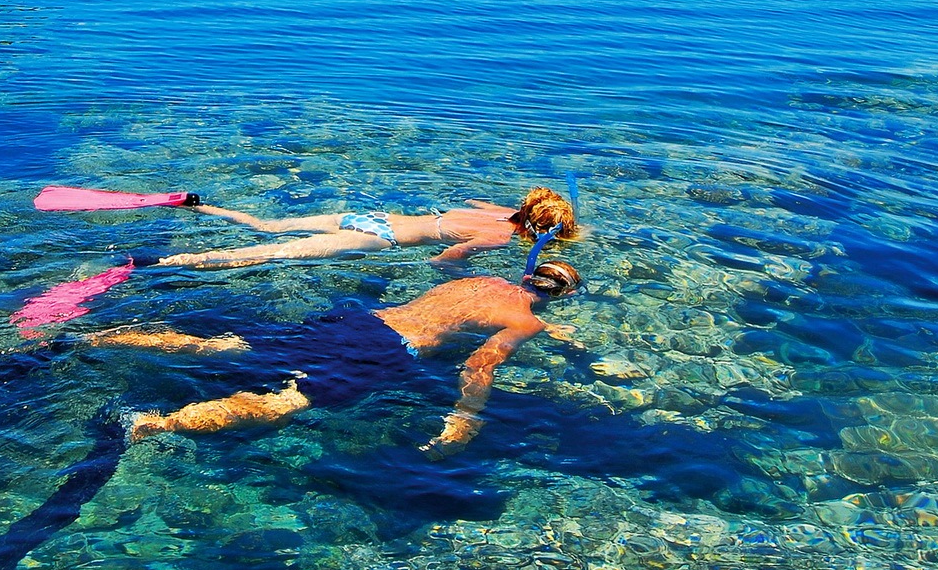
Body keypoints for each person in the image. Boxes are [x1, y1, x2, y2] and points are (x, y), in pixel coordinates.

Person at [90, 261, 582, 458]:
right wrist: (465, 417)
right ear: (559, 297)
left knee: (225, 344)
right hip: (386, 352)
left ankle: (99, 338)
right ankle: (155, 423)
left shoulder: (475, 281)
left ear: (529, 275)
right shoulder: (525, 321)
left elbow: (450, 283)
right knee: (290, 400)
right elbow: (479, 366)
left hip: (359, 321)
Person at [153, 186, 577, 270]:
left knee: (267, 228)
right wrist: (454, 271)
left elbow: (472, 202)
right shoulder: (499, 237)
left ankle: (199, 206)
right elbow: (444, 259)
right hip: (379, 238)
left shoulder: (499, 214)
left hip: (373, 216)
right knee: (267, 255)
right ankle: (165, 263)